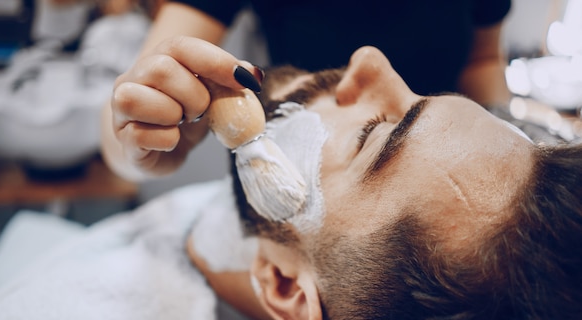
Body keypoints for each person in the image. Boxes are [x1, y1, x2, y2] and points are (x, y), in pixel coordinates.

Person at [0, 45, 581, 320]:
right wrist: (132, 151)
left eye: (375, 135)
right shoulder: (308, 255)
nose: (371, 61)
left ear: (284, 286)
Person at [100, 0, 513, 182]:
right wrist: (139, 139)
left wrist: (504, 146)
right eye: (368, 141)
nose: (371, 61)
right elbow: (127, 112)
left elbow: (483, 61)